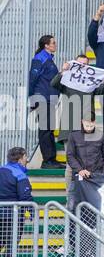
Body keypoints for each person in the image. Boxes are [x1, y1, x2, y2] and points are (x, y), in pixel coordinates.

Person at [26, 34, 58, 166]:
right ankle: (47, 160)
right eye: (53, 43)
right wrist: (32, 99)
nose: (55, 45)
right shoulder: (39, 58)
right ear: (46, 45)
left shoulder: (48, 58)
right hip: (42, 97)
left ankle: (51, 159)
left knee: (49, 128)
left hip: (49, 98)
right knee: (45, 129)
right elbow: (32, 79)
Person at [66, 116, 104, 181]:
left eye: (91, 126)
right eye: (87, 126)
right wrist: (80, 170)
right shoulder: (73, 136)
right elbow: (70, 155)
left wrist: (103, 173)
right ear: (82, 122)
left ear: (94, 122)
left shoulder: (102, 136)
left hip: (97, 174)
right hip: (79, 174)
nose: (89, 129)